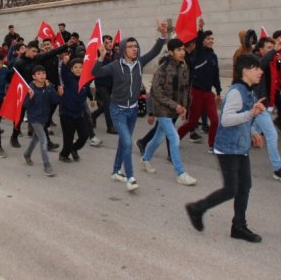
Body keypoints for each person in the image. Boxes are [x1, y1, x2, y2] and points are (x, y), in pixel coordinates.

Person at [185, 54, 266, 243]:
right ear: (245, 71)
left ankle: (238, 226)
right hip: (228, 148)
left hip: (240, 147)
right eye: (256, 68)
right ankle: (197, 208)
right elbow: (227, 119)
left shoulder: (249, 91)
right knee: (231, 189)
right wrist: (250, 114)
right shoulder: (237, 92)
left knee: (244, 187)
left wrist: (253, 132)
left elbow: (244, 118)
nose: (260, 72)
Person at [92, 20, 168, 192]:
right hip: (117, 110)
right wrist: (100, 57)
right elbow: (96, 73)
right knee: (127, 142)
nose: (135, 49)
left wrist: (163, 35)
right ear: (124, 48)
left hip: (133, 110)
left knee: (123, 143)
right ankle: (131, 177)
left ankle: (116, 171)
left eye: (136, 46)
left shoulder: (139, 63)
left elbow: (155, 51)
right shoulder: (115, 65)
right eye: (131, 46)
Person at [141, 38, 197, 186]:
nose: (182, 52)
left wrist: (184, 108)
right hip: (162, 109)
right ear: (171, 52)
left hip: (175, 109)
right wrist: (153, 112)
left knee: (158, 138)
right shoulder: (163, 69)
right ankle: (180, 173)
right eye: (178, 50)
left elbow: (185, 90)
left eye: (183, 49)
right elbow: (156, 93)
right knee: (174, 138)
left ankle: (146, 159)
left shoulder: (184, 67)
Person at [250, 37, 281, 182]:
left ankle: (277, 168)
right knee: (270, 134)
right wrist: (275, 49)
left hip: (264, 103)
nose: (272, 50)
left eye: (272, 47)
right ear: (260, 50)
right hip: (254, 103)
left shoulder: (273, 63)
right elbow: (260, 65)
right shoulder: (255, 60)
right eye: (269, 47)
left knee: (261, 132)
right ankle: (277, 168)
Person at [177, 19, 222, 148]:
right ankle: (176, 138)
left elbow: (216, 75)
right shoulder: (198, 54)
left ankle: (212, 145)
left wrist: (218, 92)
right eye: (208, 39)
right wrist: (200, 29)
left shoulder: (213, 56)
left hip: (208, 94)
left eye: (212, 39)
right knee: (192, 122)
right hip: (196, 93)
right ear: (202, 41)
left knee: (215, 120)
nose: (211, 41)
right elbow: (198, 40)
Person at [23, 65, 64, 176]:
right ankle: (47, 165)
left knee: (35, 139)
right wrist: (30, 97)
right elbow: (25, 105)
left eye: (43, 73)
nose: (42, 75)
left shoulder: (48, 86)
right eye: (39, 74)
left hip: (44, 118)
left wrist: (60, 94)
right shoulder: (30, 88)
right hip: (34, 118)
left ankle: (27, 154)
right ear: (33, 76)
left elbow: (55, 100)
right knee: (43, 140)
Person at [58, 58, 91, 163]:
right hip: (66, 113)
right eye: (75, 67)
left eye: (80, 67)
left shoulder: (85, 80)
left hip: (79, 113)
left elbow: (88, 89)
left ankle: (74, 148)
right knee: (68, 137)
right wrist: (64, 63)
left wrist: (93, 98)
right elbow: (63, 72)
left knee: (84, 135)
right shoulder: (68, 79)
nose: (78, 69)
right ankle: (63, 155)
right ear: (71, 69)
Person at [92, 34, 115, 135]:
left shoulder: (115, 54)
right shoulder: (98, 55)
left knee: (107, 104)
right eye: (106, 42)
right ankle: (110, 127)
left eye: (110, 42)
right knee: (108, 104)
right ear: (102, 44)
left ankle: (93, 115)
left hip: (111, 84)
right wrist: (101, 56)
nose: (109, 44)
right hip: (101, 83)